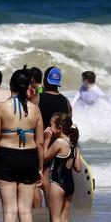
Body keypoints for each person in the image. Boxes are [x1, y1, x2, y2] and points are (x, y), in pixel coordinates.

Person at [0, 69, 44, 222]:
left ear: (10, 85)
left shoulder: (1, 107)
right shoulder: (35, 109)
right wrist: (41, 168)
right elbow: (40, 142)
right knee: (26, 211)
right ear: (28, 87)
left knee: (9, 211)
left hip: (6, 157)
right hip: (29, 158)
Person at [43, 113, 82, 222]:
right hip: (70, 185)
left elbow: (44, 158)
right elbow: (78, 168)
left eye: (51, 125)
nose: (49, 128)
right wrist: (77, 152)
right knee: (64, 221)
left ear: (59, 128)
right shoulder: (74, 144)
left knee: (55, 221)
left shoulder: (59, 142)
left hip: (57, 184)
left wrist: (47, 139)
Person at [38, 66, 72, 204]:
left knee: (41, 175)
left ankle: (49, 202)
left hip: (42, 141)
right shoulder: (66, 101)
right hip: (60, 145)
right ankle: (55, 201)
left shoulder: (39, 98)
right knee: (55, 175)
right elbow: (69, 123)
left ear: (45, 81)